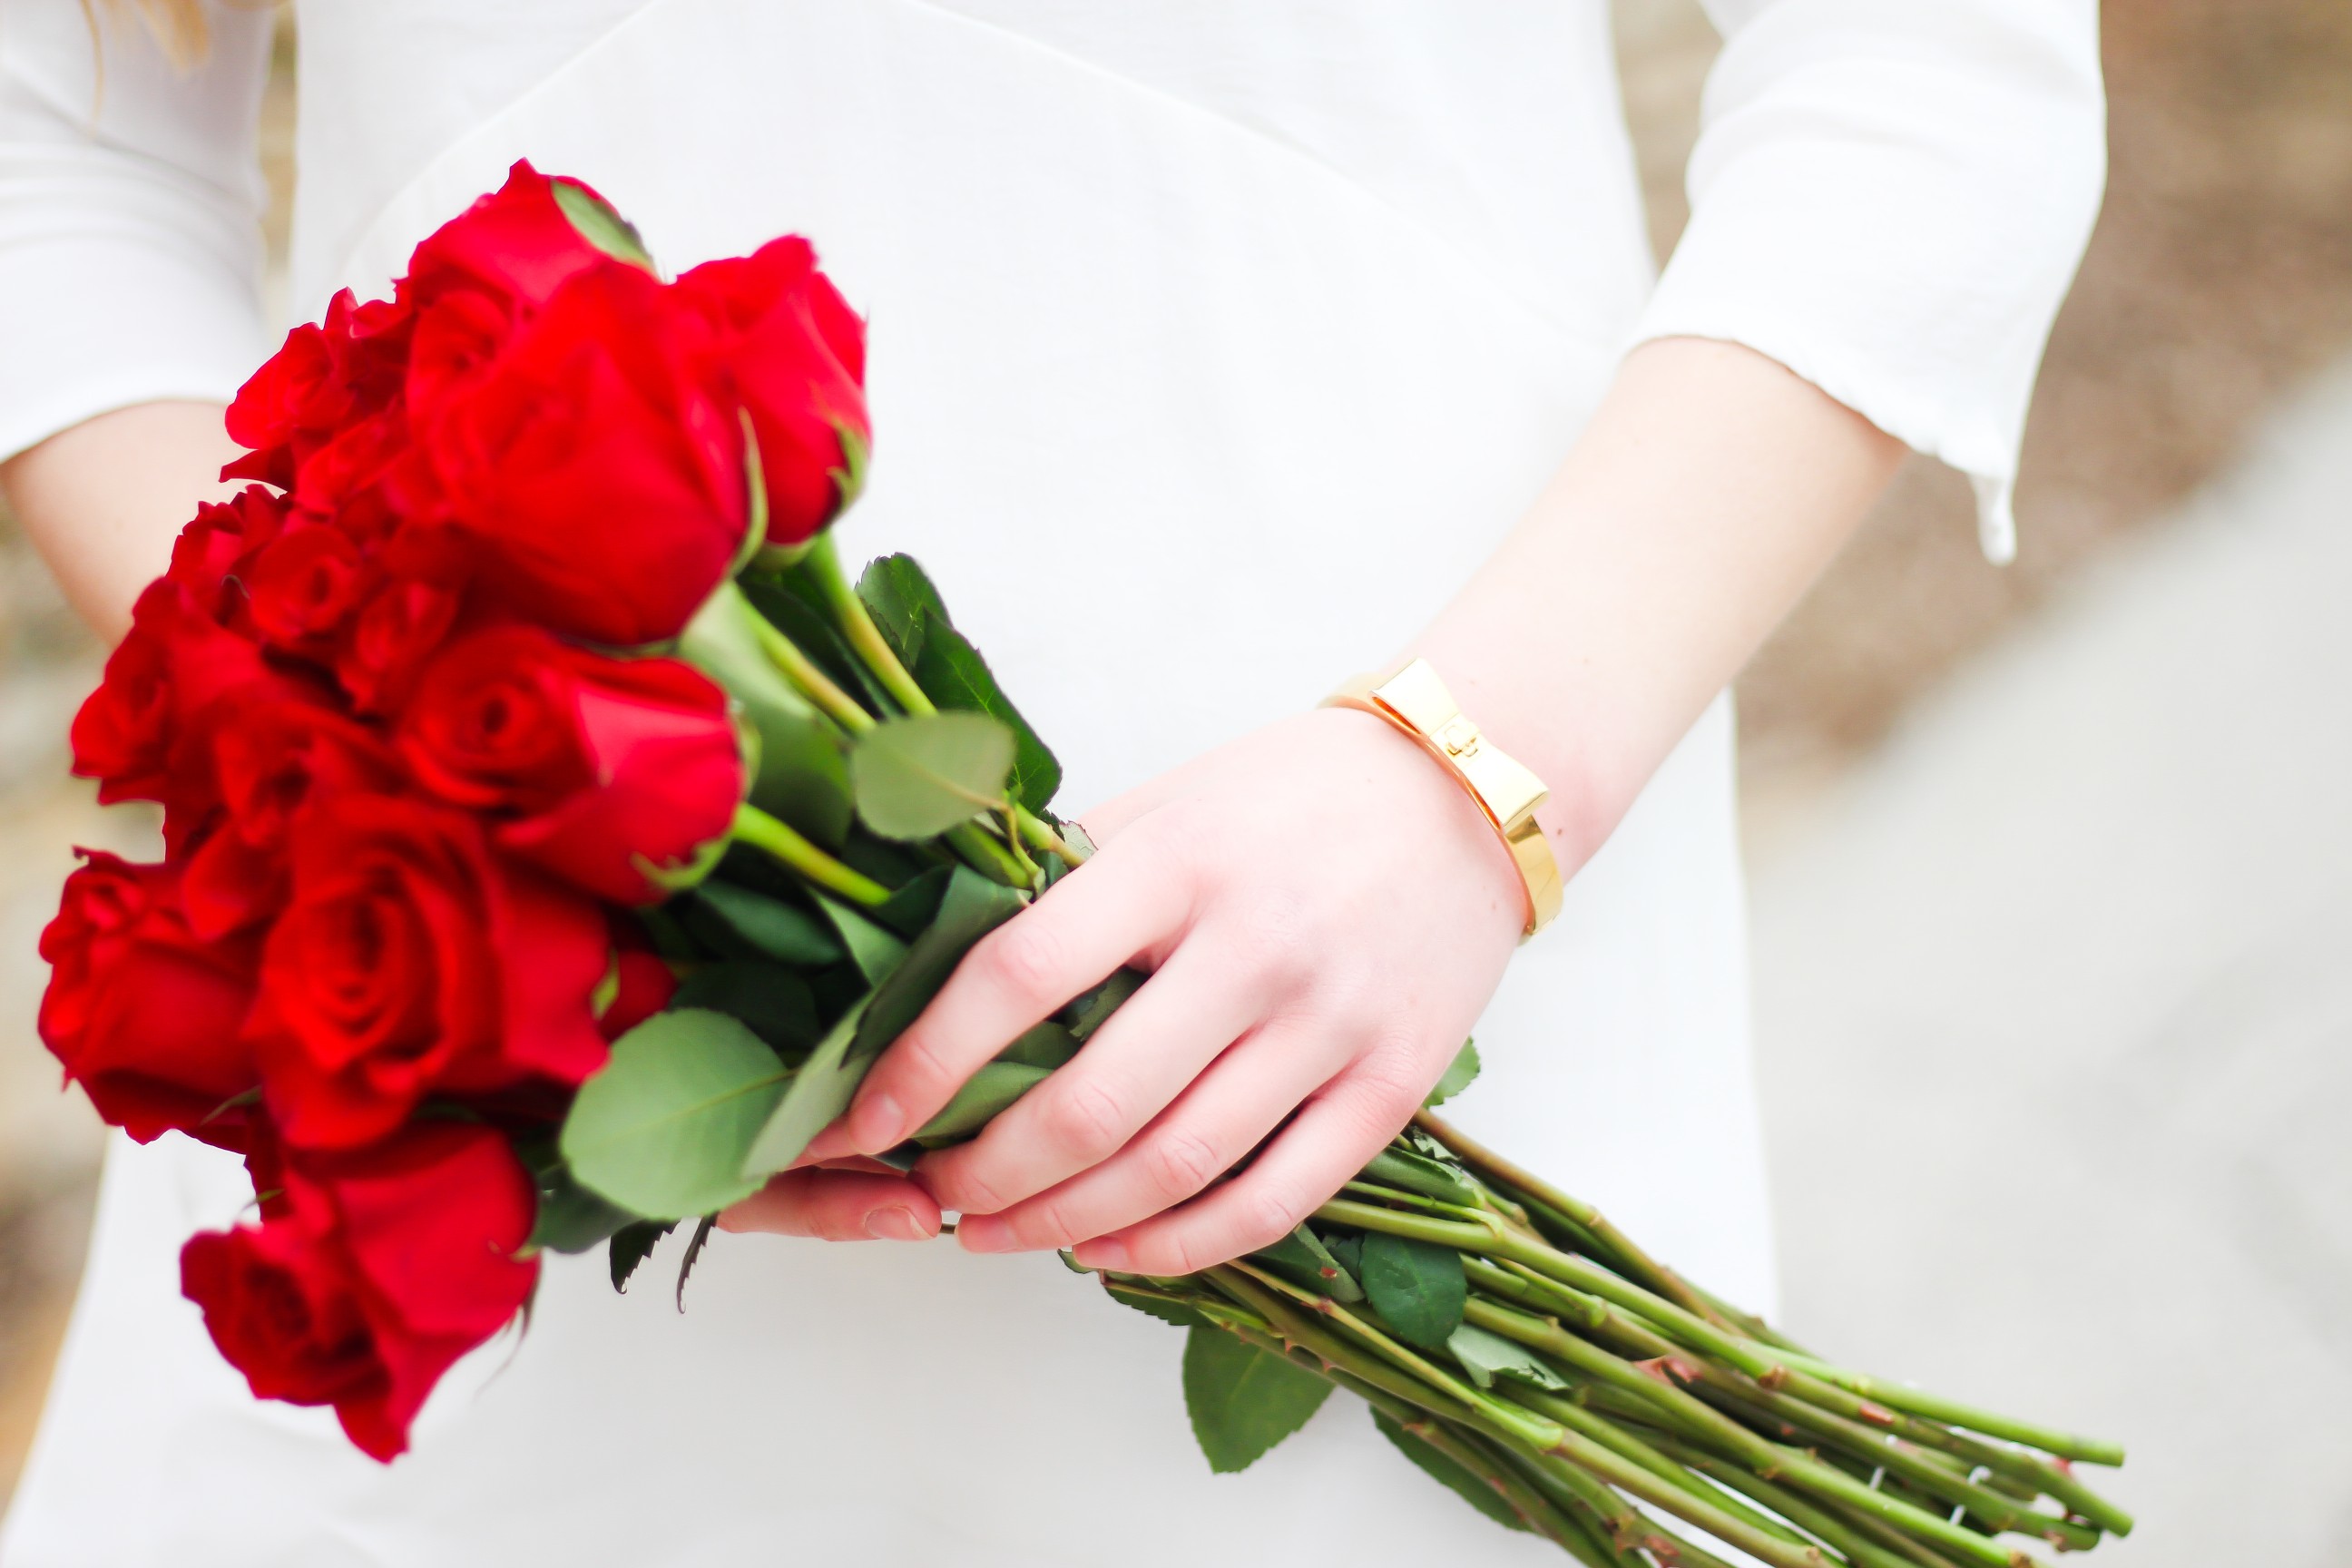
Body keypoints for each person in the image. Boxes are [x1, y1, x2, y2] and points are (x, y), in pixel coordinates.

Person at [0, 1, 2104, 1562]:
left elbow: (1925, 62)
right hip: (535, 1053)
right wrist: (420, 787)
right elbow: (51, 150)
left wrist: (1471, 780)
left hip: (1419, 973)